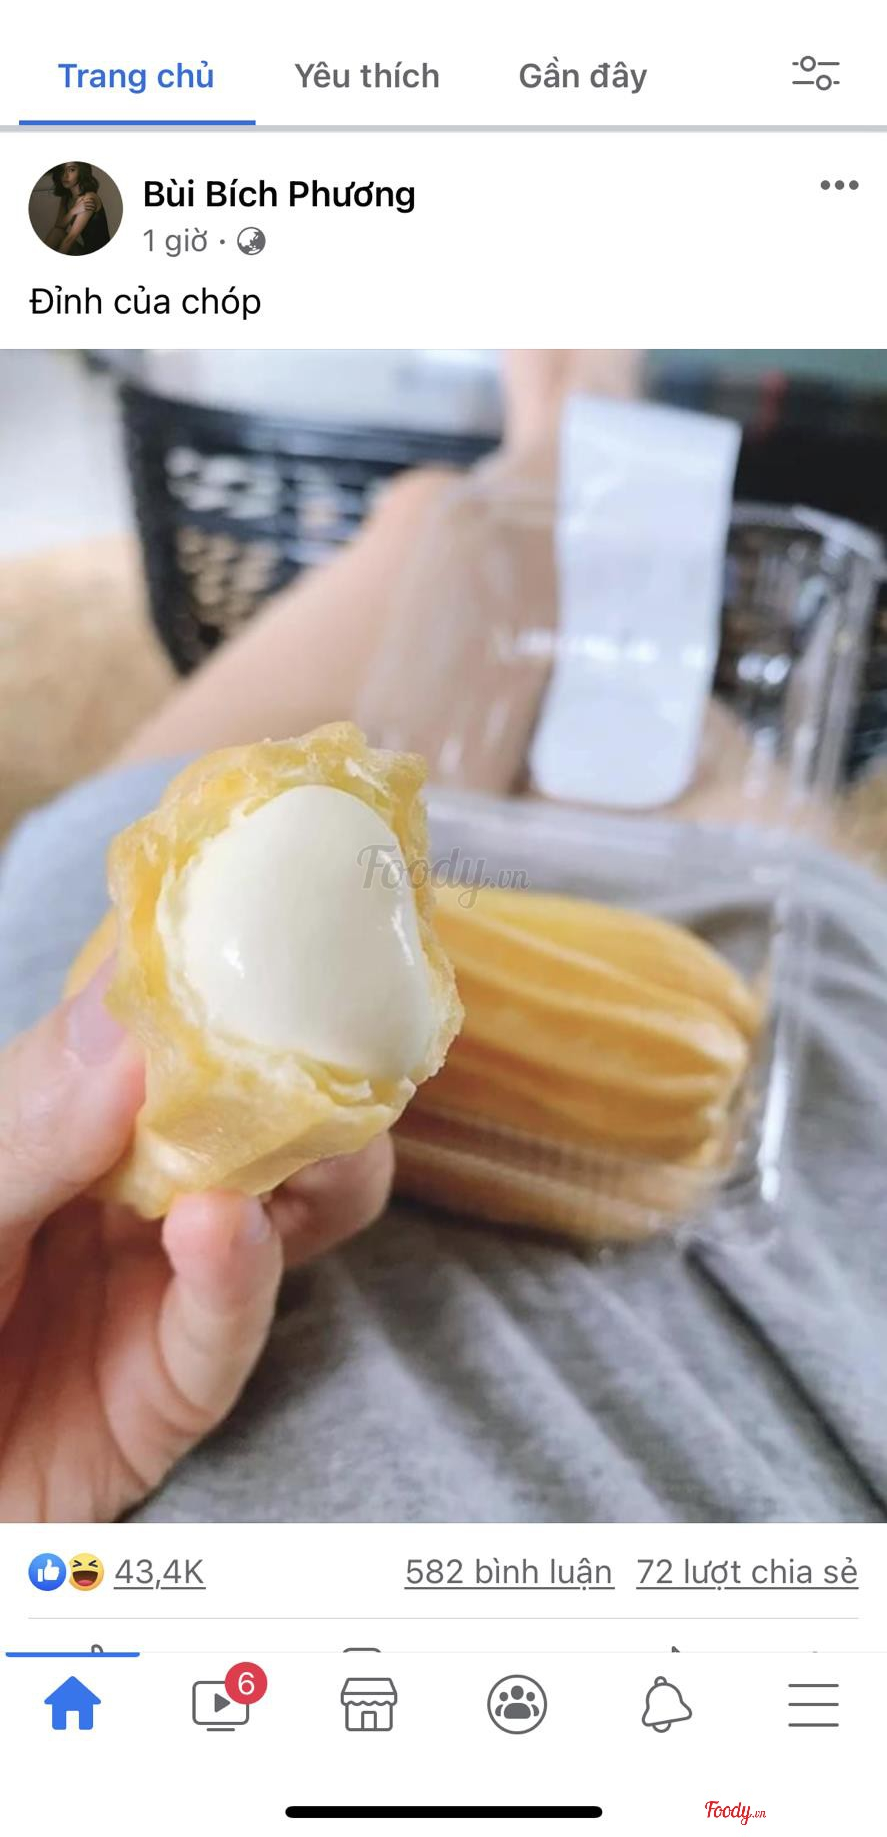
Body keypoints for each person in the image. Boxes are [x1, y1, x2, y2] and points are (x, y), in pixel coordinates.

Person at [1, 353, 885, 1524]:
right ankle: (569, 429)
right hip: (792, 1178)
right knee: (682, 774)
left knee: (430, 543)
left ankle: (543, 449)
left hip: (76, 1056)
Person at [44, 162, 111, 256]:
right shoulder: (66, 197)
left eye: (71, 170)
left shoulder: (88, 199)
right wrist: (72, 211)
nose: (65, 175)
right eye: (62, 170)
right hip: (85, 250)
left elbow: (71, 238)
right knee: (56, 232)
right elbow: (59, 226)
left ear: (82, 172)